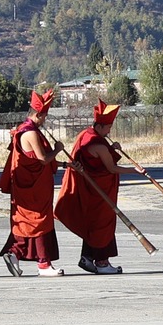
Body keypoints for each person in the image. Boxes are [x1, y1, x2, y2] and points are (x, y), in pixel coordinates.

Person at [56, 101, 129, 275]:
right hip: (99, 191)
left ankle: (87, 257)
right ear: (102, 126)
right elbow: (111, 168)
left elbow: (93, 158)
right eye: (109, 128)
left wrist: (111, 148)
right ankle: (102, 262)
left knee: (94, 225)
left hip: (90, 189)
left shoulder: (85, 134)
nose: (109, 131)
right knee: (101, 225)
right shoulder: (97, 143)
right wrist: (137, 171)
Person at [0, 89, 64, 277]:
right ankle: (43, 264)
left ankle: (15, 254)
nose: (45, 120)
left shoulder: (23, 129)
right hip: (33, 189)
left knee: (26, 224)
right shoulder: (30, 133)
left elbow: (35, 160)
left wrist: (66, 164)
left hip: (31, 185)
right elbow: (43, 159)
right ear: (38, 114)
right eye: (44, 116)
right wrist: (57, 149)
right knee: (39, 221)